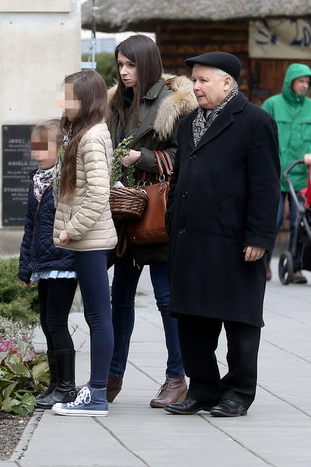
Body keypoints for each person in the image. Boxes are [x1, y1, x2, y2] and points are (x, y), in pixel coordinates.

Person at [164, 52, 280, 417]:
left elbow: (266, 186)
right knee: (193, 321)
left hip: (234, 240)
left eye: (203, 80)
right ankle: (202, 390)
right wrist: (171, 220)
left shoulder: (255, 122)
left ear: (227, 83)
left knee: (241, 322)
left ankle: (239, 392)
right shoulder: (188, 124)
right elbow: (179, 175)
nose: (195, 87)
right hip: (190, 238)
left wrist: (259, 237)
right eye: (194, 80)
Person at [106, 35, 197, 407]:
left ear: (145, 64)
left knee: (166, 299)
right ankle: (110, 376)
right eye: (120, 65)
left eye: (130, 65)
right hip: (123, 211)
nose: (124, 72)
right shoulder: (116, 103)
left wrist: (139, 157)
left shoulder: (174, 103)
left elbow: (185, 155)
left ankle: (177, 378)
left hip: (158, 210)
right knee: (119, 299)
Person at [51, 70, 118, 417]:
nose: (63, 103)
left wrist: (71, 230)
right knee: (97, 315)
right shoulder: (86, 132)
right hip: (87, 239)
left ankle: (96, 395)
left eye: (69, 97)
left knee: (97, 316)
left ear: (87, 99)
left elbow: (97, 194)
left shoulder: (91, 137)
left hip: (90, 240)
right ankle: (94, 391)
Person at [18, 119, 78, 409]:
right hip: (43, 262)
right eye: (34, 147)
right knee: (46, 322)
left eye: (43, 147)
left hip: (64, 262)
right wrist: (25, 267)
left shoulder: (66, 178)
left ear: (61, 148)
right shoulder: (36, 179)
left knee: (56, 322)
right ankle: (55, 383)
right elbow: (30, 226)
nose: (37, 152)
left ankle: (67, 387)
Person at [261, 63, 311, 283]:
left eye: (307, 82)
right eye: (300, 81)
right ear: (290, 82)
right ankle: (263, 264)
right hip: (274, 173)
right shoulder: (272, 105)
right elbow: (260, 132)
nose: (304, 85)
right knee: (273, 219)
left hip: (300, 175)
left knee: (300, 221)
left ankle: (296, 267)